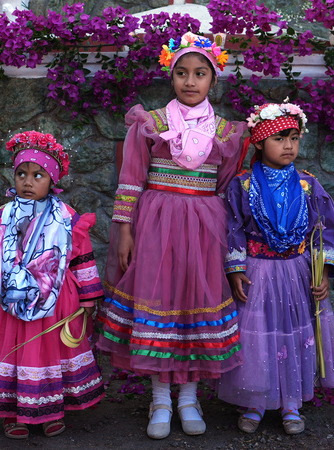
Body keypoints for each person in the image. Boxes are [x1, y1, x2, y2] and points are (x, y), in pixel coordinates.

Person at [97, 32, 247, 439]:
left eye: (200, 74)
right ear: (171, 77)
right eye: (181, 73)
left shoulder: (228, 133)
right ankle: (161, 397)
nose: (190, 81)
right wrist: (125, 232)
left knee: (194, 300)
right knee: (159, 297)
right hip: (156, 225)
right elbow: (130, 181)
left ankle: (189, 396)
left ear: (214, 79)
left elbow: (227, 189)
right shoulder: (150, 124)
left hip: (205, 230)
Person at [0, 131, 104, 439]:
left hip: (56, 303)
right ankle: (14, 412)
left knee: (49, 355)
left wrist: (88, 298)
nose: (28, 181)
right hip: (10, 302)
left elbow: (82, 258)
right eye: (21, 174)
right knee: (13, 355)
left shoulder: (66, 218)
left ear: (53, 180)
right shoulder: (2, 218)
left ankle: (49, 410)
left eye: (38, 175)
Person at [217, 102, 334, 436]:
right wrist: (235, 270)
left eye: (294, 137)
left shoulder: (308, 185)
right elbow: (232, 228)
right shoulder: (242, 186)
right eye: (279, 138)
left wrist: (323, 273)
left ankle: (291, 400)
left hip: (297, 273)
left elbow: (326, 229)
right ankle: (256, 400)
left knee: (294, 333)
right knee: (258, 338)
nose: (289, 145)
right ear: (259, 142)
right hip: (257, 273)